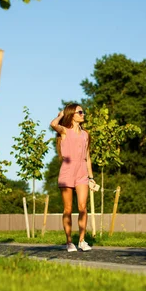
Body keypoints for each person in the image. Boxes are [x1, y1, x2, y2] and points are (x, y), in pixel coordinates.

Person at [50, 103, 97, 252]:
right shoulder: (65, 131)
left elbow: (87, 157)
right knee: (68, 209)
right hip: (67, 172)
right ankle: (69, 242)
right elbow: (53, 124)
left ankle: (82, 241)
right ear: (72, 115)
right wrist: (61, 114)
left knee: (83, 207)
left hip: (82, 172)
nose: (83, 114)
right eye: (80, 112)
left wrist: (91, 177)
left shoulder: (86, 135)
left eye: (83, 112)